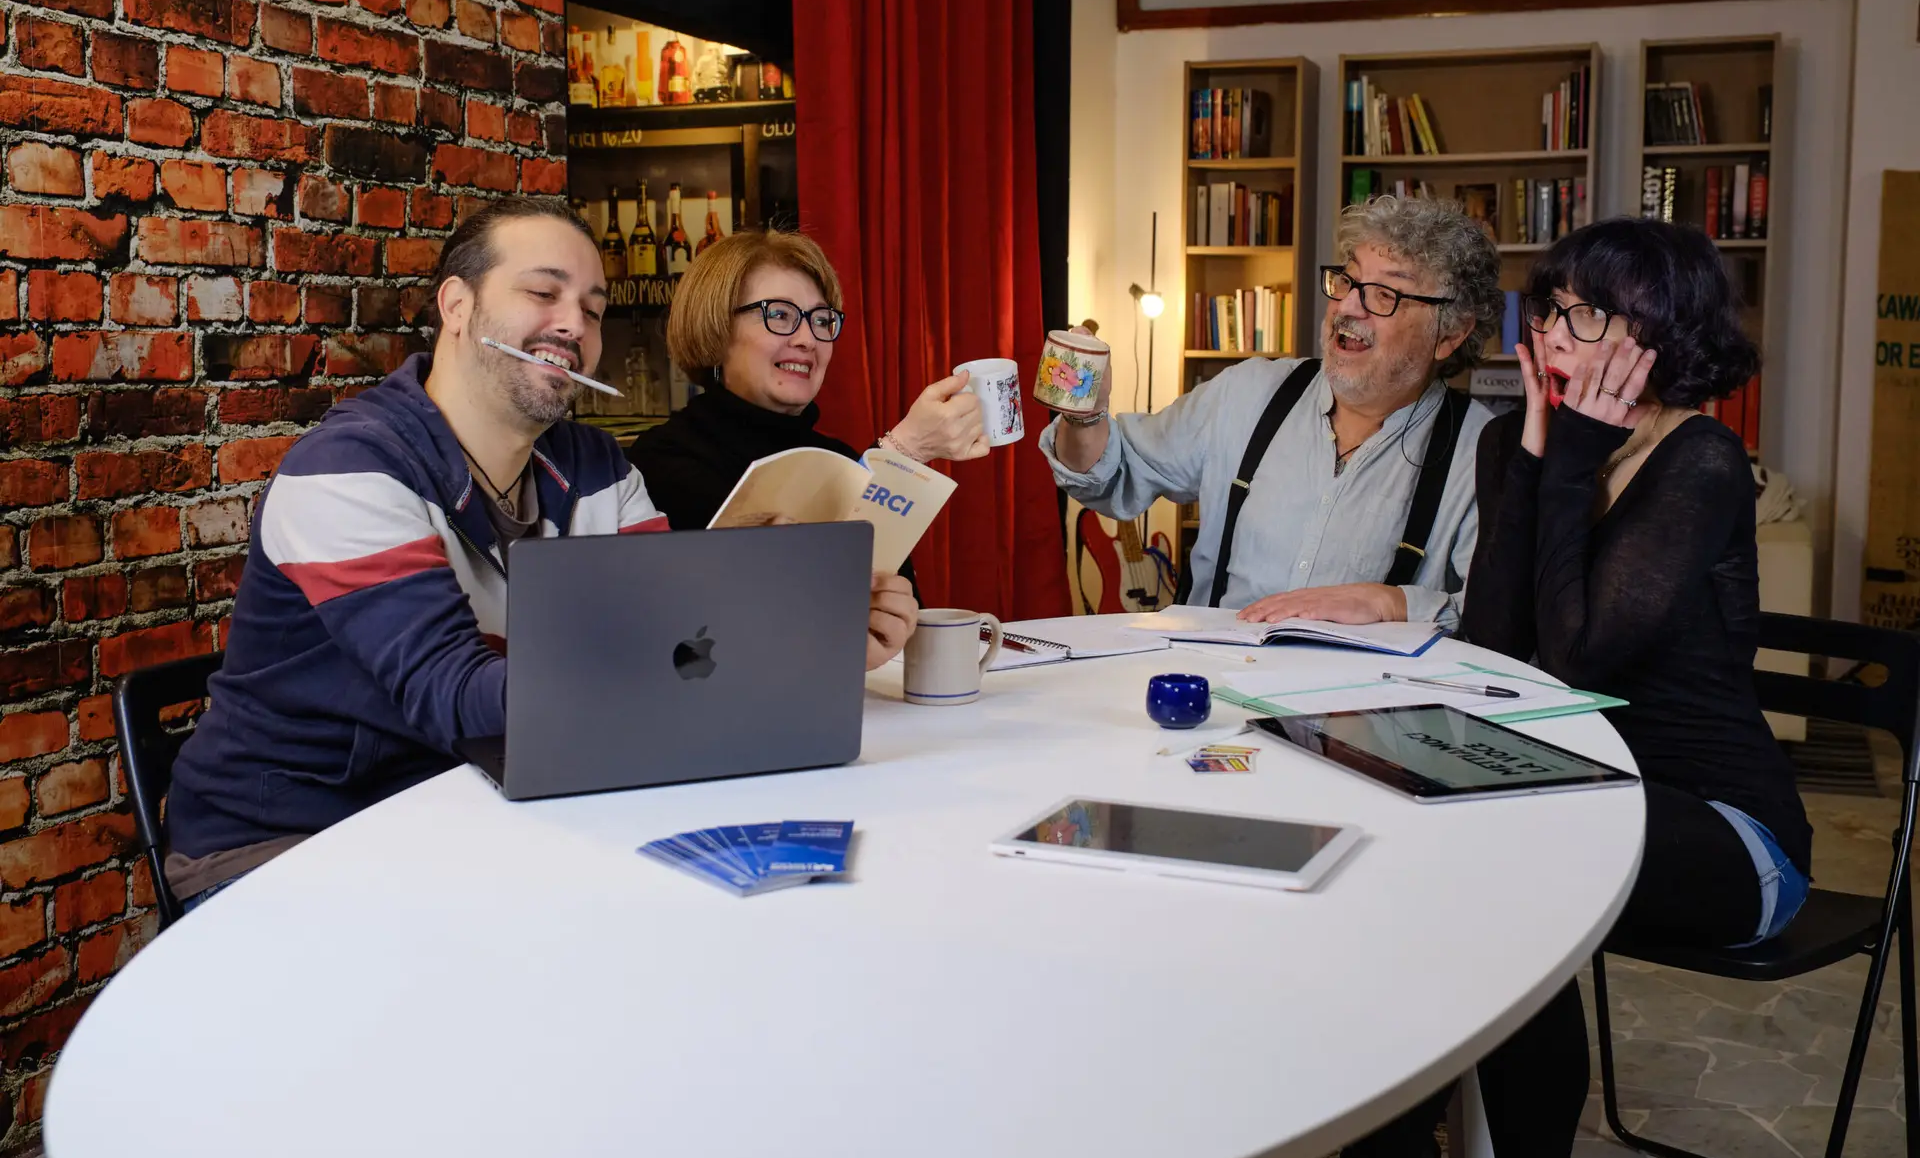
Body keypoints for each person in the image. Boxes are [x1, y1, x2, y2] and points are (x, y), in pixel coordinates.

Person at [164, 200, 917, 912]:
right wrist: (707, 648)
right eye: (544, 293)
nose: (574, 324)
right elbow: (460, 701)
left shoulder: (600, 470)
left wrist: (801, 636)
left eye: (591, 309)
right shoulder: (348, 469)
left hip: (489, 815)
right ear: (456, 307)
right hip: (293, 845)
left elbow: (678, 647)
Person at [1330, 217, 1813, 1158]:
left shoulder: (1702, 461)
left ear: (1658, 335)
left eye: (1585, 316)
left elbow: (1578, 666)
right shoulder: (1517, 440)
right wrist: (1540, 466)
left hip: (1728, 834)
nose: (1552, 335)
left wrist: (1569, 473)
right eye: (1550, 309)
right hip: (1574, 801)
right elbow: (1497, 655)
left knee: (1503, 879)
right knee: (1459, 873)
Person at [1042, 195, 1502, 628]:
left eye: (1385, 295)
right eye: (1347, 279)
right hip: (1215, 688)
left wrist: (1390, 602)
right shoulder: (1249, 393)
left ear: (1450, 334)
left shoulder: (1483, 453)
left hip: (1368, 707)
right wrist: (1086, 415)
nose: (1346, 306)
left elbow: (1498, 620)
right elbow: (1114, 474)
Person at [626, 228, 989, 539]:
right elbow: (779, 576)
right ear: (717, 330)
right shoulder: (659, 461)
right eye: (780, 315)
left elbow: (890, 589)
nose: (808, 339)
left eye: (820, 319)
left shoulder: (840, 459)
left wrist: (897, 614)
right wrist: (902, 452)